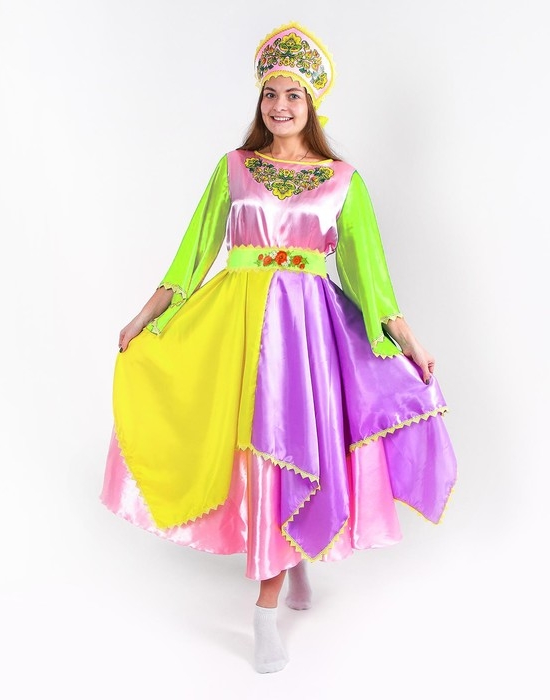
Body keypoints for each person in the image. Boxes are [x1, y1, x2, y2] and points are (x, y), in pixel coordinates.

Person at [101, 22, 457, 674]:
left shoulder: (342, 180)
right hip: (238, 328)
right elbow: (192, 255)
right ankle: (281, 579)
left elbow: (371, 280)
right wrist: (144, 316)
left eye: (294, 94)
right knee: (257, 451)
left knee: (291, 445)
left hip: (307, 338)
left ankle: (269, 602)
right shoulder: (234, 169)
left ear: (312, 103)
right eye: (271, 93)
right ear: (260, 100)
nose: (281, 105)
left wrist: (408, 340)